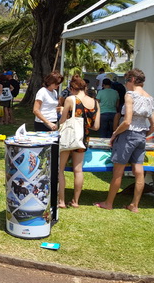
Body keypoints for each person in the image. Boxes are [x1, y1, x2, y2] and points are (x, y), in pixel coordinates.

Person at [95, 69, 154, 212]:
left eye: (127, 80)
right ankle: (134, 205)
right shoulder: (150, 98)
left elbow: (127, 121)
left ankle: (108, 203)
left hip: (127, 135)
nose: (126, 84)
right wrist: (144, 134)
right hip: (141, 136)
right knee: (139, 171)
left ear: (133, 80)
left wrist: (115, 134)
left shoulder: (130, 95)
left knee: (118, 172)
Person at [57, 75, 100, 209]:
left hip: (69, 137)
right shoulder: (95, 102)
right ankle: (75, 201)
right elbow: (96, 126)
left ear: (72, 88)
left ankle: (61, 201)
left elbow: (62, 121)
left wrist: (62, 111)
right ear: (84, 87)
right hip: (84, 138)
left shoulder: (71, 99)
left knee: (60, 169)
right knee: (78, 170)